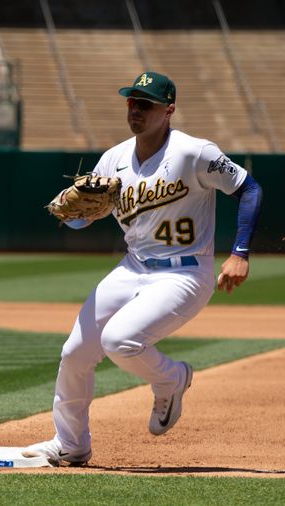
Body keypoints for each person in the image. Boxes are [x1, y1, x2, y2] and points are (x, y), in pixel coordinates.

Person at [25, 71, 263, 466]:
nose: (136, 110)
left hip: (185, 273)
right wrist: (70, 214)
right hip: (133, 266)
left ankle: (172, 379)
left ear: (168, 111)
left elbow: (249, 188)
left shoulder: (194, 152)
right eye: (132, 102)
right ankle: (71, 444)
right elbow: (88, 217)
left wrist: (240, 252)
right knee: (75, 352)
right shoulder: (113, 159)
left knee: (120, 340)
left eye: (146, 104)